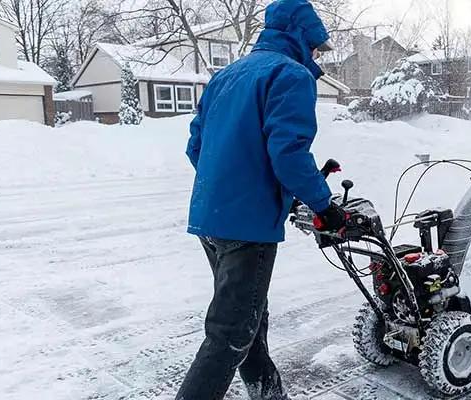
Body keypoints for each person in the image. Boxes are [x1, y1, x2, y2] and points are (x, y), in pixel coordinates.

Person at [177, 0, 346, 399]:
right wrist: (325, 206)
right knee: (230, 333)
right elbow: (288, 154)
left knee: (248, 317)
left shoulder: (226, 76)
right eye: (317, 45)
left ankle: (269, 394)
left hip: (210, 217)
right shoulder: (291, 75)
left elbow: (195, 147)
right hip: (246, 226)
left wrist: (233, 183)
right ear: (302, 37)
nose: (318, 54)